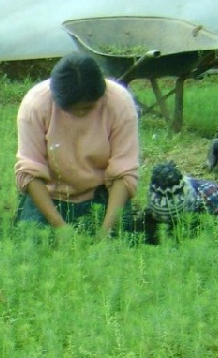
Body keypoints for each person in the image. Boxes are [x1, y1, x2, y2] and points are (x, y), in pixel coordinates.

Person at [14, 51, 141, 234]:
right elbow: (30, 172)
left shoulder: (120, 104)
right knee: (34, 243)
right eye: (72, 110)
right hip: (50, 196)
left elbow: (123, 172)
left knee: (119, 243)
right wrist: (60, 227)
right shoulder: (35, 105)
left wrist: (106, 231)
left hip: (101, 196)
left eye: (88, 108)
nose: (81, 114)